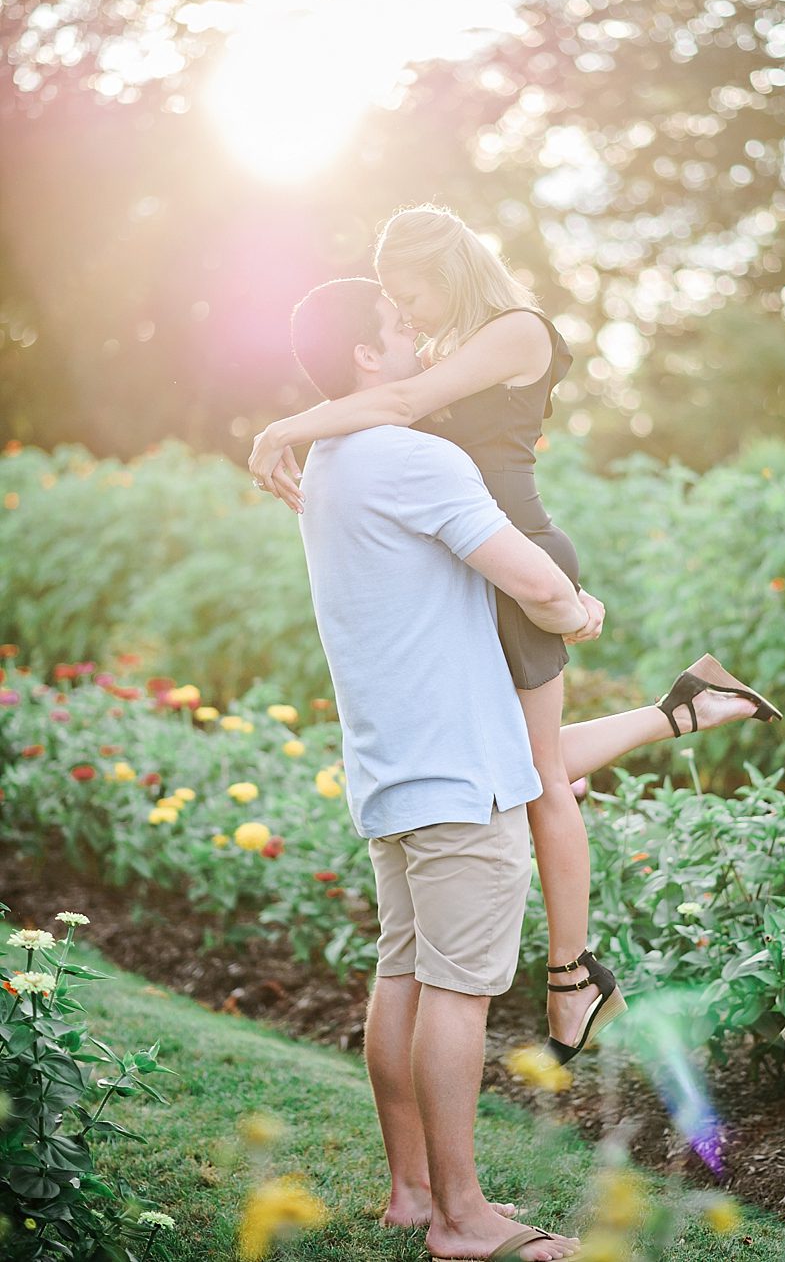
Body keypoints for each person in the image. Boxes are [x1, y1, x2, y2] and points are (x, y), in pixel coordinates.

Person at [249, 205, 782, 1063]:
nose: (407, 312)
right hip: (480, 554)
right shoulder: (457, 344)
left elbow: (402, 400)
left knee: (537, 778)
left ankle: (571, 974)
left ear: (446, 265)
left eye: (408, 292)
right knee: (515, 760)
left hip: (516, 546)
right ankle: (688, 706)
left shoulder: (516, 330)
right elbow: (396, 410)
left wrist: (283, 427)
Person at [294, 276, 585, 1261]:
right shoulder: (414, 458)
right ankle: (463, 1221)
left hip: (390, 765)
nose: (418, 334)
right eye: (398, 325)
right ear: (367, 358)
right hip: (461, 771)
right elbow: (538, 582)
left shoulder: (329, 458)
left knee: (407, 976)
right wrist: (580, 614)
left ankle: (412, 1194)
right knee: (456, 993)